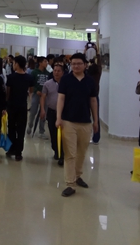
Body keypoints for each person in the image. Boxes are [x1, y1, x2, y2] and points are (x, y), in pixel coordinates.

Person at [56, 53, 98, 197]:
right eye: (73, 63)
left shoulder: (90, 81)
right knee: (70, 154)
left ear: (85, 65)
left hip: (85, 122)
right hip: (68, 121)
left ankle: (78, 175)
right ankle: (70, 184)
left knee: (81, 152)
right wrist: (58, 118)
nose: (76, 66)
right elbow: (61, 99)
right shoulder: (66, 79)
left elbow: (93, 101)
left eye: (79, 63)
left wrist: (96, 120)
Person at [6, 55, 32, 161]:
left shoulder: (11, 77)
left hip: (12, 106)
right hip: (23, 106)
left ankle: (11, 148)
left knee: (11, 128)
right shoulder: (29, 77)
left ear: (16, 64)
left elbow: (8, 93)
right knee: (21, 129)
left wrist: (6, 105)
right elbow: (30, 91)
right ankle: (19, 152)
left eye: (13, 63)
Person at [42, 61, 64, 166]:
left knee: (64, 134)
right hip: (51, 111)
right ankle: (56, 150)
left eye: (59, 71)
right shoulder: (47, 84)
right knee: (53, 132)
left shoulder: (66, 84)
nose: (56, 73)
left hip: (64, 113)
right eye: (55, 71)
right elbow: (43, 97)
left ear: (62, 72)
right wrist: (42, 109)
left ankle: (62, 154)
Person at [28, 56, 49, 138]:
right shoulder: (34, 72)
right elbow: (31, 84)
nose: (46, 63)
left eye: (47, 61)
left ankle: (41, 130)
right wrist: (36, 91)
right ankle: (30, 125)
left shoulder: (48, 73)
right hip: (36, 94)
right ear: (40, 63)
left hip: (45, 96)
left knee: (43, 112)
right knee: (33, 111)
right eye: (45, 61)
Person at [87, 60, 102, 144]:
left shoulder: (88, 76)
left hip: (86, 97)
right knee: (96, 117)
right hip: (95, 97)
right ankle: (96, 138)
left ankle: (86, 136)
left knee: (87, 117)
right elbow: (99, 66)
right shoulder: (98, 74)